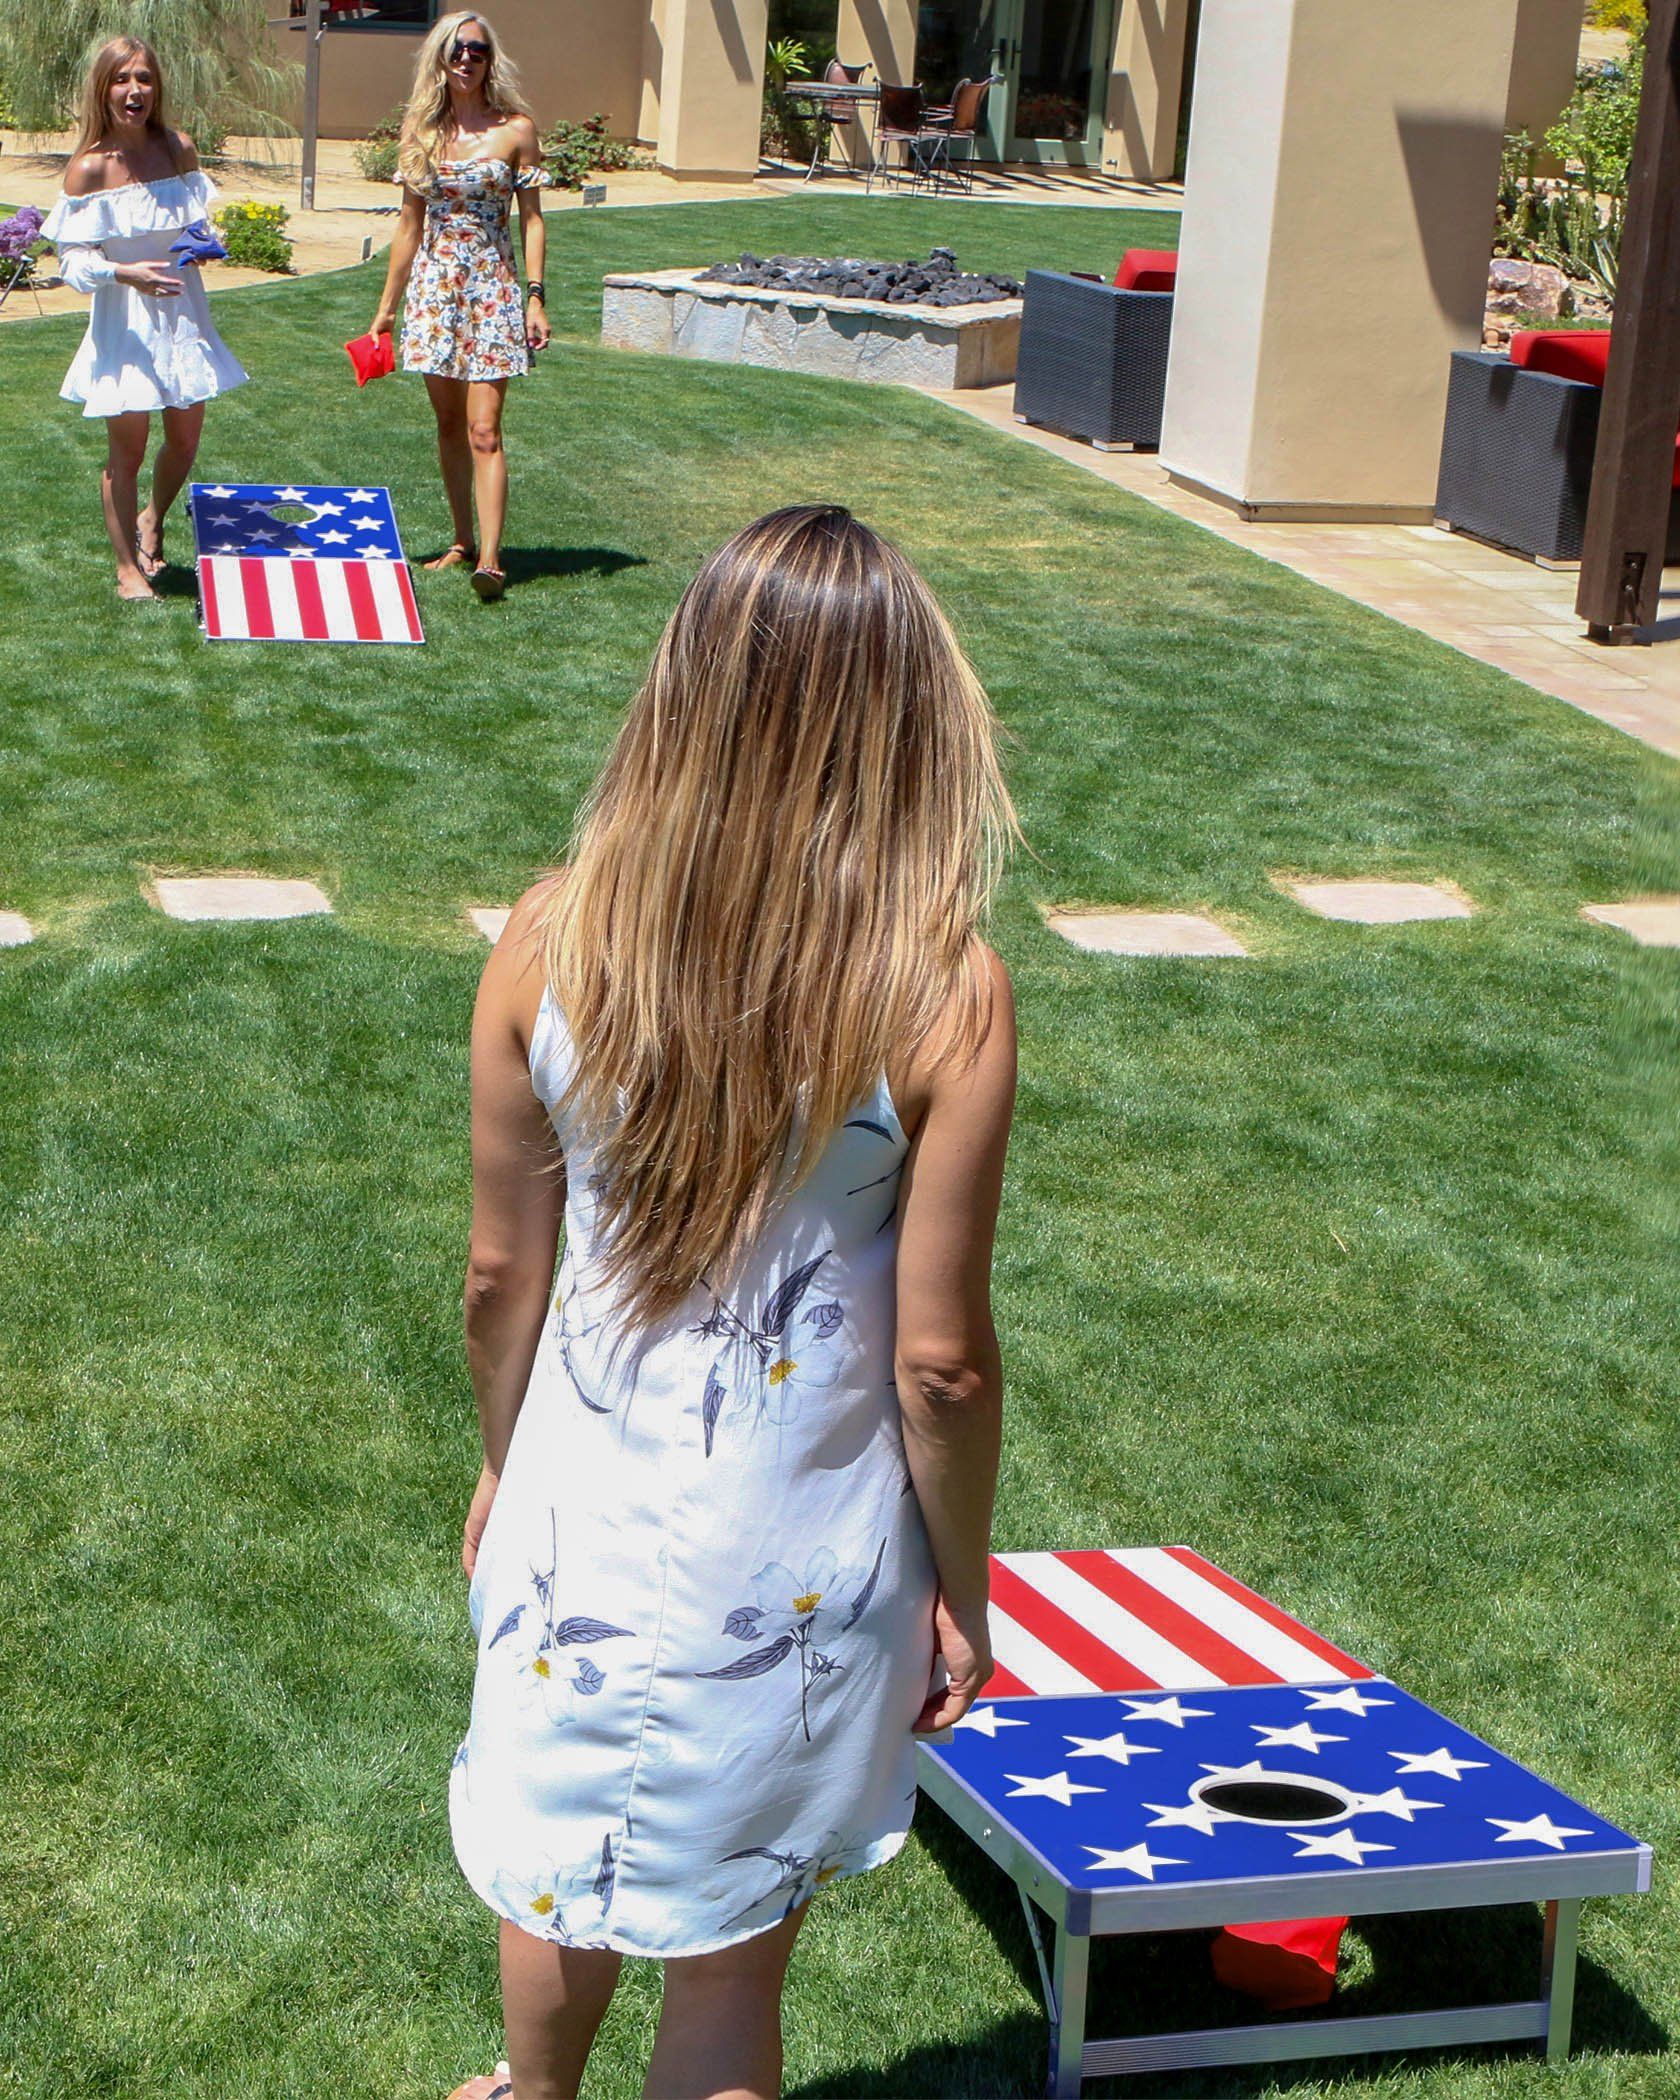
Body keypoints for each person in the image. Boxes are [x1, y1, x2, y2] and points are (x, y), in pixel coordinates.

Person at [444, 506, 1018, 2100]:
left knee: (557, 1862)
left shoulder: (551, 938)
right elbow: (943, 1365)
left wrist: (499, 1459)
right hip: (804, 1557)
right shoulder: (943, 988)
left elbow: (501, 1275)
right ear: (908, 718)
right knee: (731, 1956)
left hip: (578, 1508)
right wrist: (962, 1584)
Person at [45, 36, 247, 601]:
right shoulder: (89, 169)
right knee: (126, 453)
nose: (134, 90)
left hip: (183, 317)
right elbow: (73, 264)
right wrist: (125, 272)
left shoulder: (179, 149)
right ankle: (126, 572)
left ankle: (151, 519)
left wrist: (205, 243)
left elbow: (197, 223)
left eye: (144, 79)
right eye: (121, 79)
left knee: (184, 441)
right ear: (103, 88)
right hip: (125, 323)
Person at [370, 12, 549, 602]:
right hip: (435, 293)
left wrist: (535, 296)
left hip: (493, 290)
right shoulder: (421, 131)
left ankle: (491, 562)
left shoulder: (516, 130)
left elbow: (533, 221)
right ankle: (461, 540)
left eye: (476, 49)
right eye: (456, 49)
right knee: (448, 424)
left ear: (490, 58)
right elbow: (408, 226)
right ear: (440, 59)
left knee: (484, 429)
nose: (466, 58)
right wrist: (386, 310)